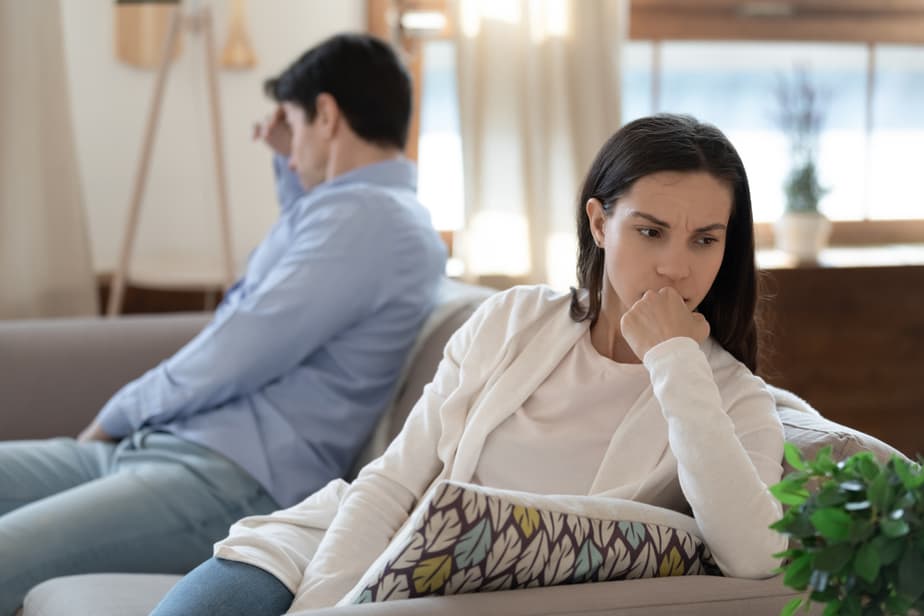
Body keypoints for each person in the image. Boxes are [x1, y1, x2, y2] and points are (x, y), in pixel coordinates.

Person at [151, 113, 789, 615]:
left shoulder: (732, 397)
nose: (676, 266)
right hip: (340, 547)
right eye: (650, 231)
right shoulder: (513, 319)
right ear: (599, 224)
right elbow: (393, 482)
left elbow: (754, 553)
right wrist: (325, 606)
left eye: (705, 240)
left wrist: (675, 360)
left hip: (455, 597)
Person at [0, 33, 447, 615]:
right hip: (174, 448)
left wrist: (117, 414)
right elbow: (293, 250)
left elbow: (240, 347)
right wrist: (288, 162)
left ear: (327, 115)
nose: (290, 150)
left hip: (227, 478)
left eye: (293, 123)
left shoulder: (375, 222)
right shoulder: (348, 214)